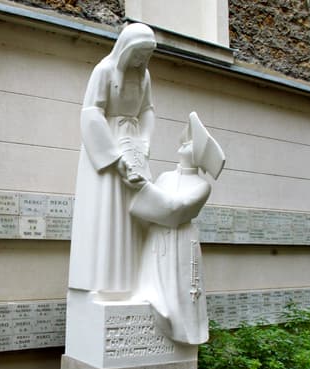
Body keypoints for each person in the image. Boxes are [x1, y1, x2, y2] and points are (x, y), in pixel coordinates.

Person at [68, 23, 157, 294]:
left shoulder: (144, 77)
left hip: (135, 148)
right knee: (109, 212)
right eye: (138, 53)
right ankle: (105, 284)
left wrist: (144, 142)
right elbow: (92, 113)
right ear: (126, 49)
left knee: (135, 213)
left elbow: (147, 111)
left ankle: (131, 284)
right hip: (107, 148)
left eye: (146, 54)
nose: (141, 60)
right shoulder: (104, 70)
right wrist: (115, 157)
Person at [130, 112, 225, 344]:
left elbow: (176, 210)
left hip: (181, 242)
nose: (184, 144)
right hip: (156, 241)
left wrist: (143, 187)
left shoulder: (202, 186)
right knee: (152, 285)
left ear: (198, 155)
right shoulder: (164, 177)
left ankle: (183, 331)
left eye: (190, 143)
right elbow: (148, 209)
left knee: (179, 292)